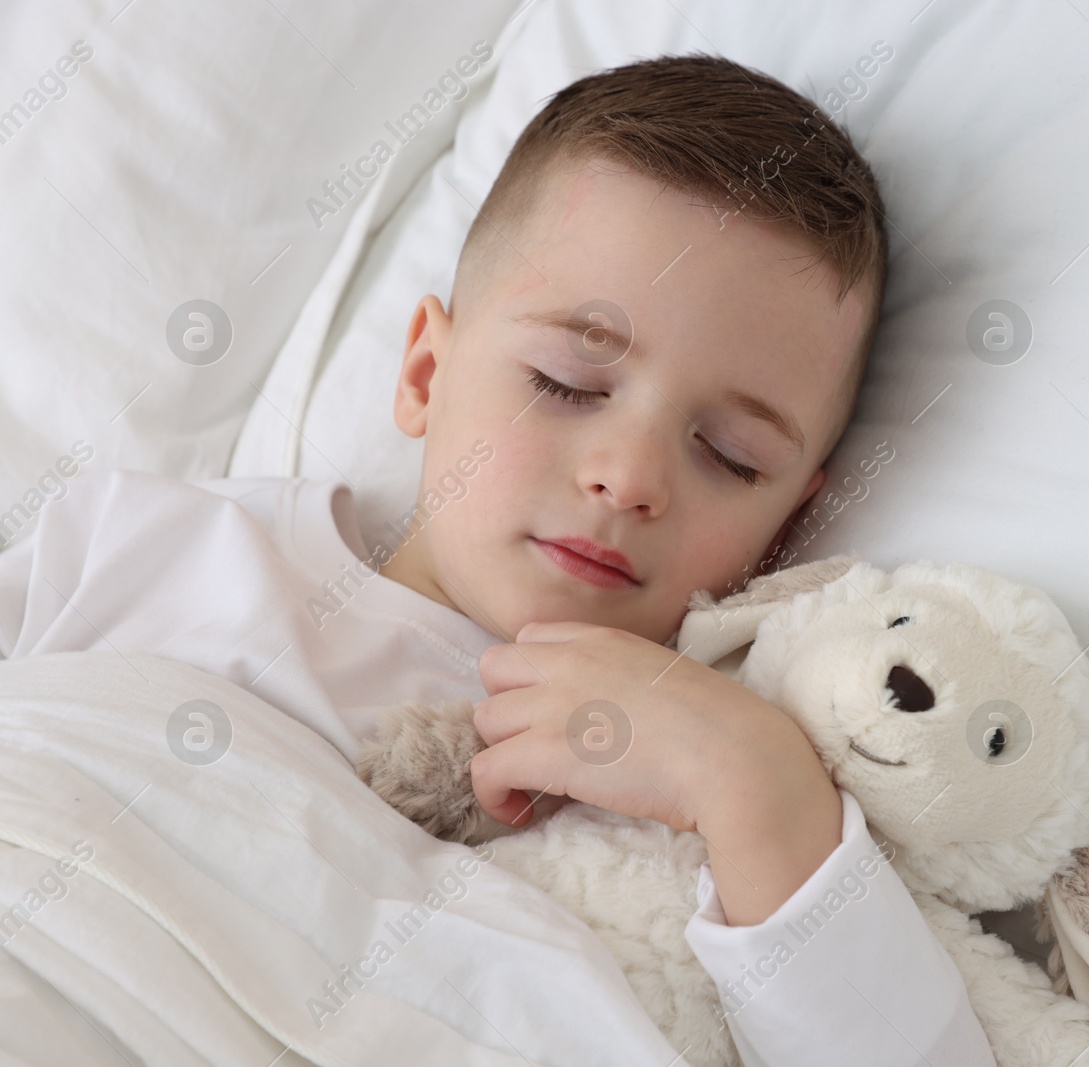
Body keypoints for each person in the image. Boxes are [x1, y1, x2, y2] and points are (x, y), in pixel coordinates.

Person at [0, 54, 996, 1064]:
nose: (626, 475)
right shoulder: (158, 547)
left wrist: (753, 783)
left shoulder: (726, 775)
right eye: (568, 382)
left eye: (727, 456)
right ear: (427, 372)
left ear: (784, 531)